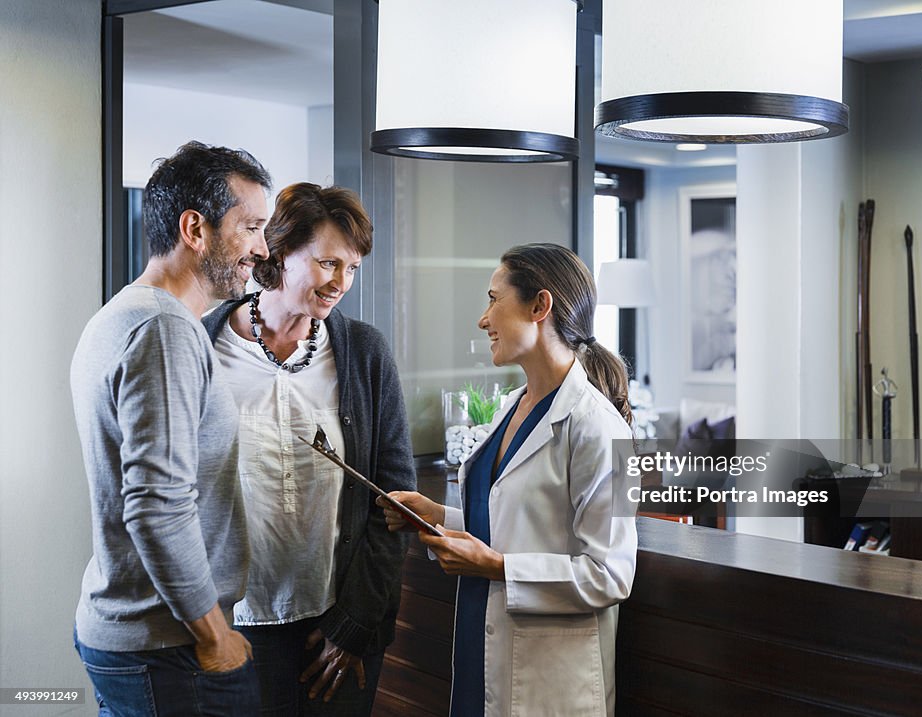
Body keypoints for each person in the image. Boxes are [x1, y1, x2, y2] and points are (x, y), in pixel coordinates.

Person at [379, 243, 638, 716]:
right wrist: (440, 516)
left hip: (548, 681)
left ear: (540, 306)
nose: (483, 319)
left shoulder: (602, 428)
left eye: (494, 299)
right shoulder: (508, 409)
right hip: (481, 651)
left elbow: (612, 575)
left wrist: (498, 567)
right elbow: (521, 518)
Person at [70, 141, 272, 715]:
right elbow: (157, 504)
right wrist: (214, 634)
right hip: (172, 649)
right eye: (252, 227)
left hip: (134, 639)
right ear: (195, 229)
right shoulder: (165, 331)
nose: (261, 248)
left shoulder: (121, 315)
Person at [202, 182, 416, 716]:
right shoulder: (203, 347)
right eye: (328, 264)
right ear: (278, 253)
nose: (341, 283)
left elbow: (394, 502)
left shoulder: (365, 353)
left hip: (334, 627)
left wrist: (356, 627)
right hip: (233, 624)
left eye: (352, 269)